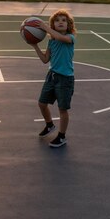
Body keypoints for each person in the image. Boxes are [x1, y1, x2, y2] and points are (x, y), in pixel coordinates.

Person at [32, 10, 76, 148]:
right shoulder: (51, 42)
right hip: (52, 76)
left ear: (69, 24)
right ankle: (49, 124)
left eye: (64, 20)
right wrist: (35, 46)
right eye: (57, 21)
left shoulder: (70, 37)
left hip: (65, 79)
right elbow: (45, 60)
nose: (61, 22)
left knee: (62, 109)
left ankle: (62, 136)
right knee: (41, 103)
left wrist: (46, 28)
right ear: (53, 24)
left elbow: (61, 38)